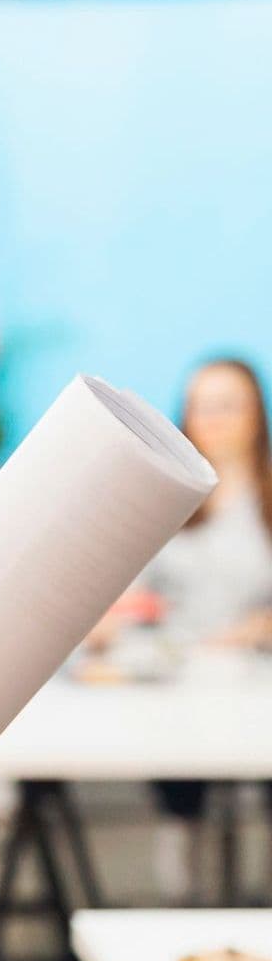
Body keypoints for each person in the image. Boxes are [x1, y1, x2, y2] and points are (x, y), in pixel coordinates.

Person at [143, 357, 272, 896]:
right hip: (177, 681)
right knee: (179, 787)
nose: (215, 419)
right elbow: (135, 593)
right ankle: (182, 900)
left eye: (229, 405)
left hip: (256, 685)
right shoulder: (164, 503)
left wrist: (257, 627)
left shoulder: (263, 505)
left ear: (256, 416)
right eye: (203, 406)